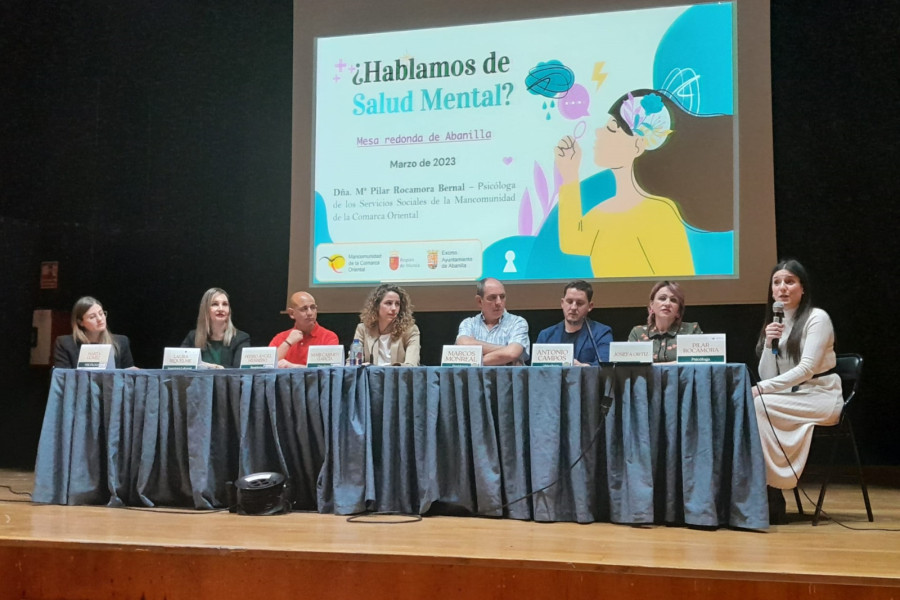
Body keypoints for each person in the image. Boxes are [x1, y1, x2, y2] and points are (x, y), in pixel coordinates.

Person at [554, 89, 733, 277]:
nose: (599, 132)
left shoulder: (660, 213)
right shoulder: (602, 211)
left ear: (638, 146)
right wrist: (570, 174)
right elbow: (573, 242)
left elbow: (676, 284)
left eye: (612, 128)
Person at [751, 259, 842, 523]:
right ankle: (766, 488)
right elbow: (768, 375)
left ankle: (773, 488)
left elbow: (806, 369)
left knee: (759, 403)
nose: (782, 288)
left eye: (789, 281)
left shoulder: (817, 318)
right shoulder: (775, 323)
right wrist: (769, 344)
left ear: (803, 288)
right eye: (777, 282)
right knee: (756, 405)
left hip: (821, 394)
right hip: (790, 396)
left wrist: (761, 389)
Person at [535, 280, 612, 365]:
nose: (573, 307)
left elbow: (605, 366)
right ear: (562, 303)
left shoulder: (601, 333)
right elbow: (537, 370)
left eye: (579, 303)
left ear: (590, 306)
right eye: (569, 302)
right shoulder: (546, 335)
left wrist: (583, 368)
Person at [456, 278, 529, 366]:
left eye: (502, 297)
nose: (499, 302)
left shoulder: (518, 322)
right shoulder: (468, 323)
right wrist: (505, 350)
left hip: (508, 379)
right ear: (479, 301)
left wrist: (473, 358)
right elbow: (464, 344)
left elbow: (512, 353)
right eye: (492, 297)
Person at [627, 281, 702, 363]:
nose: (667, 303)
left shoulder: (691, 331)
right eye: (662, 298)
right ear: (652, 305)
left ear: (678, 311)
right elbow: (630, 367)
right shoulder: (638, 333)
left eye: (673, 300)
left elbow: (699, 363)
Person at [53, 296, 135, 368]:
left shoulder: (121, 342)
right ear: (80, 322)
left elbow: (128, 375)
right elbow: (62, 377)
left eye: (101, 313)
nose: (100, 319)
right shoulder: (65, 344)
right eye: (92, 317)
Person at [351, 284, 420, 366]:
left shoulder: (410, 330)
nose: (394, 308)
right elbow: (352, 363)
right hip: (370, 377)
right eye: (389, 303)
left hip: (397, 377)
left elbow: (411, 365)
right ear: (376, 306)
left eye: (397, 304)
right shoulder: (363, 329)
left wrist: (384, 369)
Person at [181, 287, 250, 368]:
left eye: (225, 304)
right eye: (215, 304)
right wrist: (213, 367)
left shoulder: (241, 338)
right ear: (205, 309)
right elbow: (181, 365)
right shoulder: (192, 337)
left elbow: (238, 372)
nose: (221, 309)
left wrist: (203, 365)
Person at [269, 291, 339, 367]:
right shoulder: (280, 338)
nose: (310, 313)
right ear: (292, 313)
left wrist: (292, 366)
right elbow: (267, 366)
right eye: (304, 309)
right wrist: (288, 342)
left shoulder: (328, 337)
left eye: (313, 308)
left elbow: (326, 370)